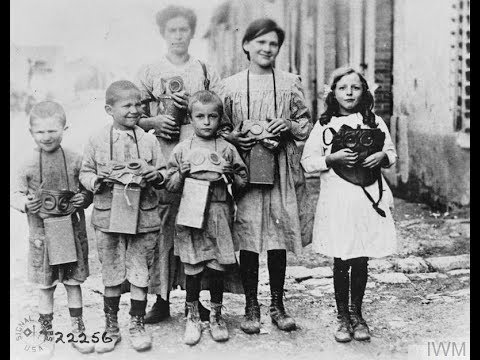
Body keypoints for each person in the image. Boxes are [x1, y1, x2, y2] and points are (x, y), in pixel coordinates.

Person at [135, 5, 229, 323]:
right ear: (163, 34)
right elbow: (133, 115)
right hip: (162, 159)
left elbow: (220, 111)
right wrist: (154, 121)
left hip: (198, 161)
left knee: (196, 225)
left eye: (183, 30)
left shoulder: (203, 69)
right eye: (172, 30)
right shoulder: (150, 70)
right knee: (163, 227)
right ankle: (160, 299)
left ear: (191, 33)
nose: (178, 35)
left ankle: (195, 299)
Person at [221, 18, 313, 334]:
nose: (267, 48)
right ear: (247, 45)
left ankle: (277, 303)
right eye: (260, 42)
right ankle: (251, 305)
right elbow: (218, 127)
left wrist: (288, 127)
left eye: (273, 43)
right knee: (248, 235)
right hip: (246, 170)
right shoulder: (230, 86)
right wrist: (235, 138)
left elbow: (305, 123)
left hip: (280, 166)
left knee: (277, 235)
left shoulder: (290, 83)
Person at [301, 66, 397, 342]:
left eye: (355, 87)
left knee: (361, 255)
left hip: (366, 199)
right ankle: (342, 315)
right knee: (341, 256)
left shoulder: (374, 121)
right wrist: (331, 159)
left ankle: (358, 313)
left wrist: (381, 157)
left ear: (363, 91)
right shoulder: (324, 125)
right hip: (338, 200)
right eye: (343, 88)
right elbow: (307, 162)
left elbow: (392, 154)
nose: (349, 93)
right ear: (333, 93)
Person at [79, 80, 167, 353]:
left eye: (138, 104)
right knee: (112, 272)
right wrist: (96, 181)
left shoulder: (149, 140)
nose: (134, 110)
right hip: (108, 218)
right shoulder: (96, 140)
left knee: (140, 271)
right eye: (126, 105)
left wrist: (156, 175)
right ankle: (111, 326)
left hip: (143, 217)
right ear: (109, 108)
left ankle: (137, 324)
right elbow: (84, 172)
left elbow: (164, 174)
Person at [11, 101, 94, 354]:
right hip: (42, 237)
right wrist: (26, 203)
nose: (46, 137)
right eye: (40, 132)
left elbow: (86, 190)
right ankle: (46, 334)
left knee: (73, 283)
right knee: (45, 287)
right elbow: (14, 194)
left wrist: (84, 198)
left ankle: (78, 330)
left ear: (64, 128)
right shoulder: (26, 164)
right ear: (31, 132)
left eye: (52, 131)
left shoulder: (75, 159)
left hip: (71, 233)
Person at [166, 90, 248, 345]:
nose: (206, 122)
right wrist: (181, 173)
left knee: (217, 265)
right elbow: (169, 185)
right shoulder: (182, 149)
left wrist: (230, 173)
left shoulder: (227, 148)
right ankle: (192, 316)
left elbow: (243, 182)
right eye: (199, 116)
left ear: (220, 118)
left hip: (219, 211)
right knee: (193, 264)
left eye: (212, 116)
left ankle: (215, 315)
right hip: (191, 210)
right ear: (190, 119)